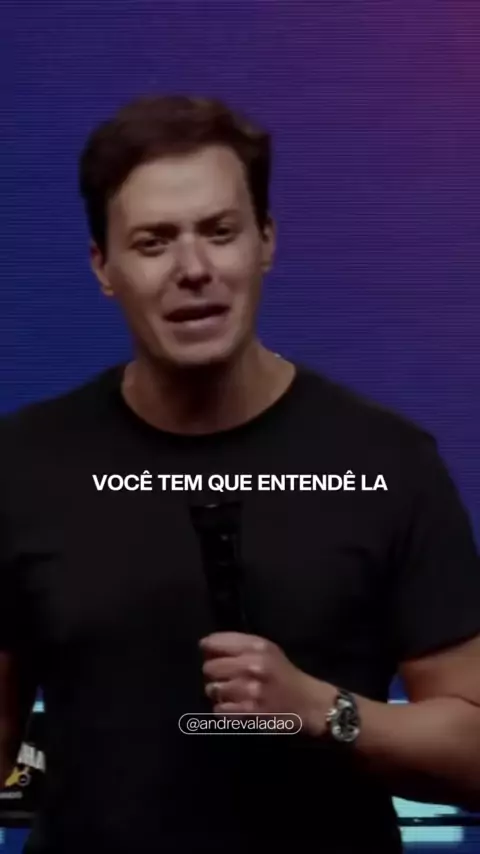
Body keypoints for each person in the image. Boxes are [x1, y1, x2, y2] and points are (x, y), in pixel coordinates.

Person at [1, 94, 480, 854]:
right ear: (103, 267)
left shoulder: (387, 462)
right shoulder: (23, 464)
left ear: (266, 242)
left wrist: (324, 711)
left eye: (219, 232)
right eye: (154, 242)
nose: (193, 269)